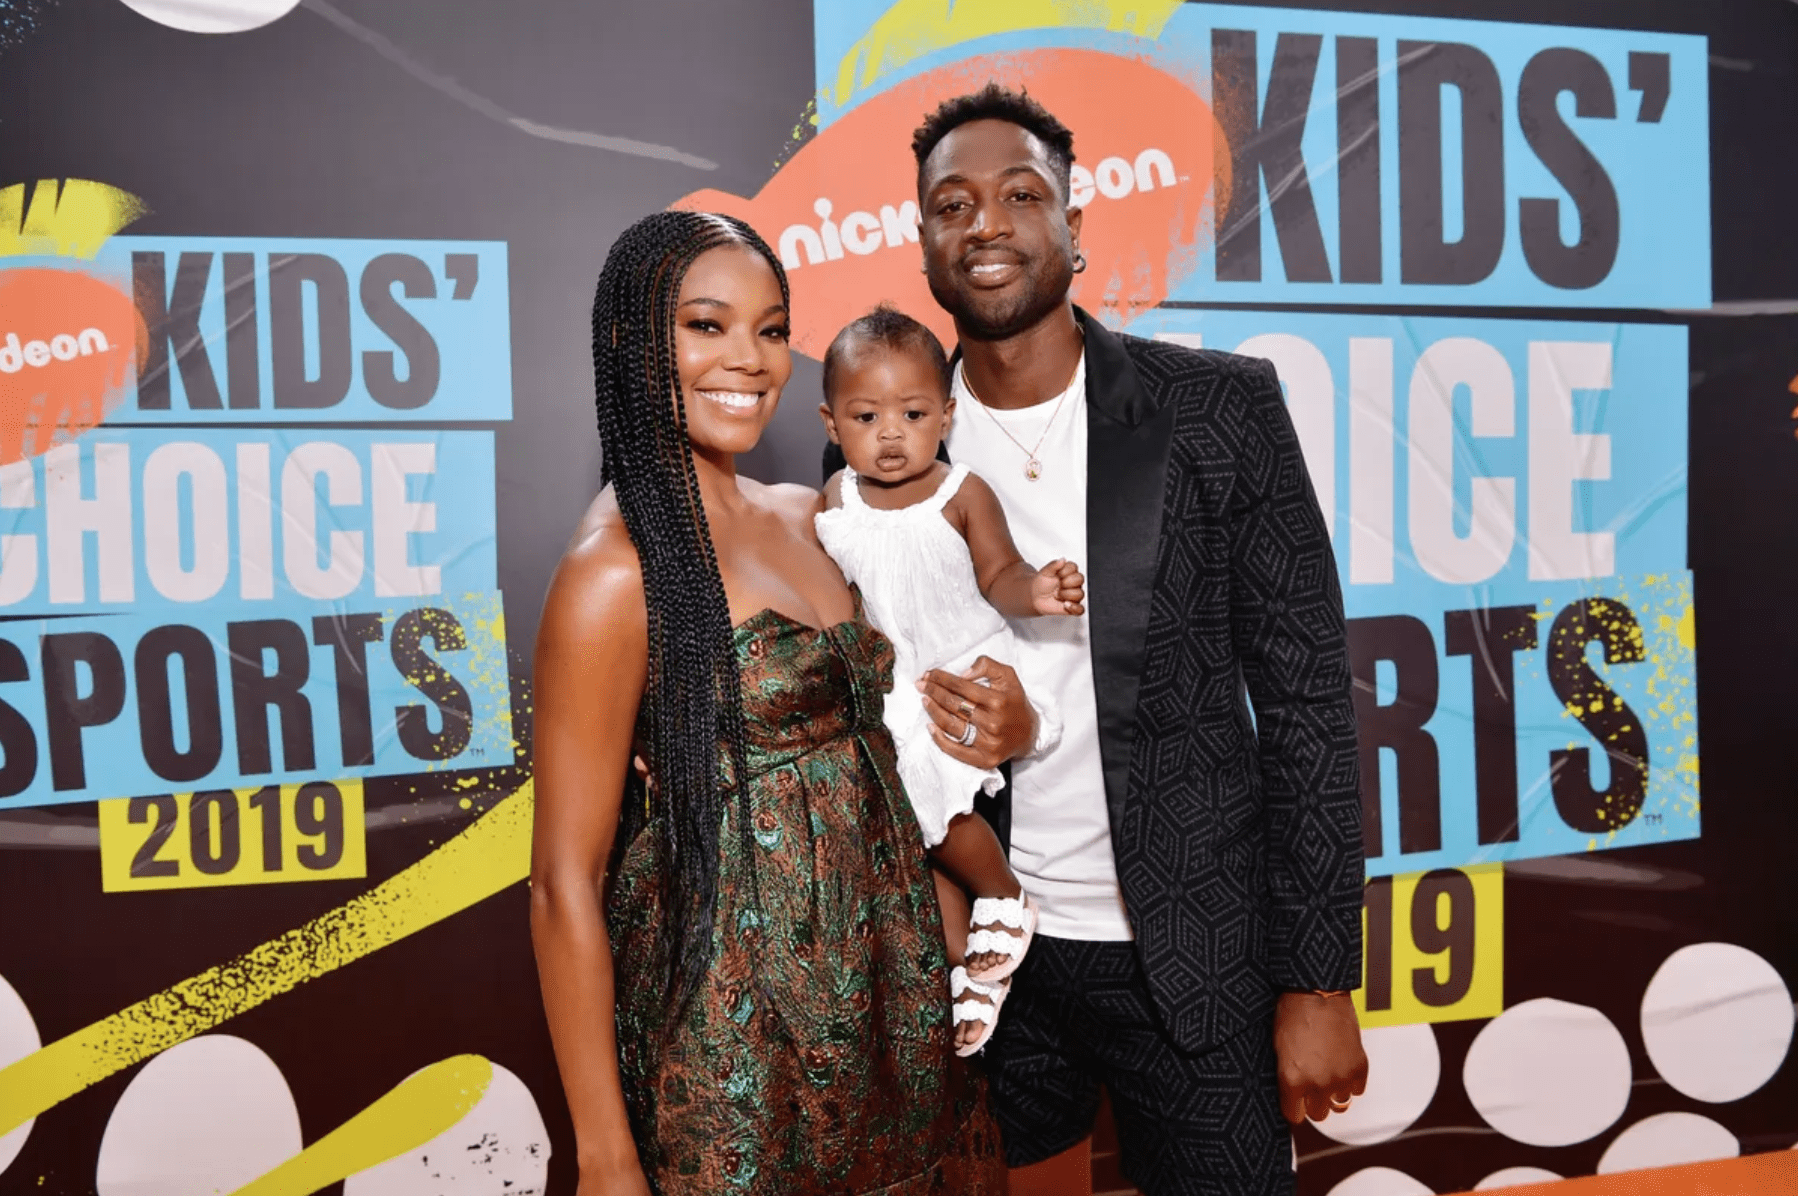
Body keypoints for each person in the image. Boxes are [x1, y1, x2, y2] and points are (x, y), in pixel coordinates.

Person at [823, 84, 1369, 1195]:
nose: (985, 223)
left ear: (1076, 224)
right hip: (990, 959)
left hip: (1198, 958)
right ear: (921, 239)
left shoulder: (1220, 408)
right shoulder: (880, 439)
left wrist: (1318, 977)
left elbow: (1307, 700)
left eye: (1021, 195)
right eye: (951, 203)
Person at [530, 210, 1004, 1195]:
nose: (748, 359)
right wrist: (606, 1154)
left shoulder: (812, 510)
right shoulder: (615, 571)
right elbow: (560, 884)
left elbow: (895, 723)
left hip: (893, 990)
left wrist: (998, 742)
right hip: (731, 1033)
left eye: (772, 327)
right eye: (706, 325)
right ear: (631, 341)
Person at [813, 304, 1086, 1056]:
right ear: (832, 424)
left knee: (928, 782)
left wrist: (1037, 592)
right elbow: (830, 597)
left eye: (913, 412)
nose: (892, 433)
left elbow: (999, 572)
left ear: (947, 415)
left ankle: (1003, 892)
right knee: (894, 822)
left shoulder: (961, 491)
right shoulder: (836, 502)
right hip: (889, 681)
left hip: (960, 670)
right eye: (868, 415)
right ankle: (969, 969)